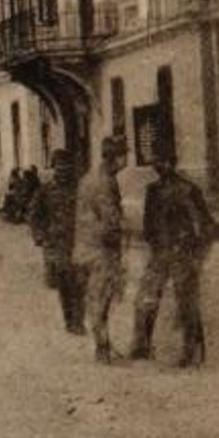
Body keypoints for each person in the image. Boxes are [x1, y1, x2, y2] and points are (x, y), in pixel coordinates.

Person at [129, 134, 214, 367]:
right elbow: (147, 224)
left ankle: (192, 352)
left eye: (165, 161)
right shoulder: (152, 191)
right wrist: (154, 243)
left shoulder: (188, 190)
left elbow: (206, 225)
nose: (160, 166)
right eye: (156, 161)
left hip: (182, 253)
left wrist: (195, 253)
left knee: (187, 302)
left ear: (173, 162)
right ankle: (141, 346)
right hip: (160, 253)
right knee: (145, 298)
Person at [74, 136, 129, 364]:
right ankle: (102, 348)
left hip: (86, 247)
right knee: (101, 298)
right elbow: (110, 219)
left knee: (97, 297)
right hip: (101, 249)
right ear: (115, 157)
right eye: (124, 155)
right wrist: (123, 228)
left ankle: (103, 344)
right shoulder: (105, 182)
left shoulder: (89, 177)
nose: (126, 160)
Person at [29, 149, 85, 334]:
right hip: (56, 244)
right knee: (64, 284)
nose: (63, 170)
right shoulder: (45, 190)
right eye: (59, 166)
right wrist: (40, 236)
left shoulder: (79, 188)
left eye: (66, 166)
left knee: (79, 282)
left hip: (77, 242)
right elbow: (34, 215)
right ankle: (70, 319)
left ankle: (78, 320)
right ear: (54, 168)